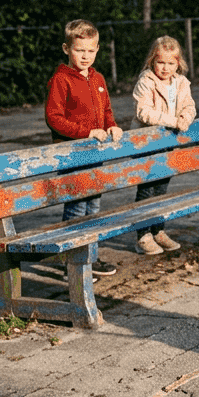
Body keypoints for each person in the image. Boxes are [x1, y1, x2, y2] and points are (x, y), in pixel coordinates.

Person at [45, 19, 122, 277]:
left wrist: (111, 126)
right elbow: (54, 118)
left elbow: (106, 111)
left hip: (95, 153)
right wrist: (86, 133)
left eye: (90, 50)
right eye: (79, 50)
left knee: (94, 206)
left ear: (98, 49)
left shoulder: (98, 78)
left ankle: (90, 257)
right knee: (77, 208)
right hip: (72, 154)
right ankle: (73, 263)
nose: (85, 56)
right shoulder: (61, 80)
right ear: (66, 48)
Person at [130, 36, 197, 255]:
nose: (165, 68)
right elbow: (144, 111)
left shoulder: (180, 83)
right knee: (147, 189)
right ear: (152, 61)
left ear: (178, 63)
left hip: (168, 145)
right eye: (161, 62)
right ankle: (143, 235)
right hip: (147, 145)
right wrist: (173, 121)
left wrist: (186, 117)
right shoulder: (147, 81)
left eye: (171, 63)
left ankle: (158, 230)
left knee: (162, 189)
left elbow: (188, 104)